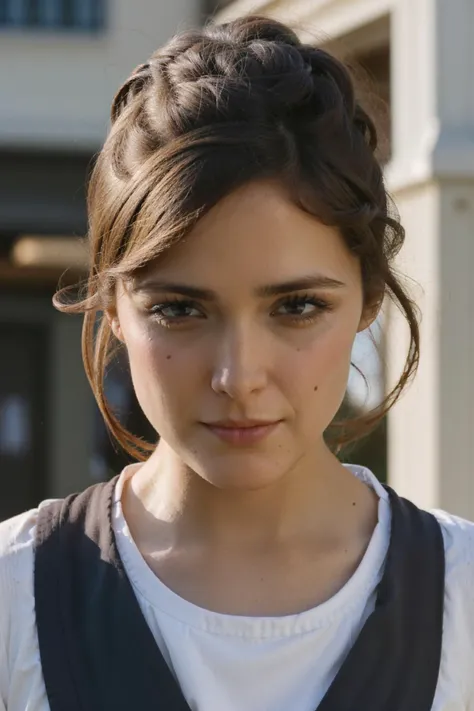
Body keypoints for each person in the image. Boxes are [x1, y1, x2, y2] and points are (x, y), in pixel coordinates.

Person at [0, 14, 473, 711]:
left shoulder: (462, 596)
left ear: (369, 297)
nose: (239, 376)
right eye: (181, 309)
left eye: (296, 306)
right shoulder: (15, 595)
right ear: (113, 306)